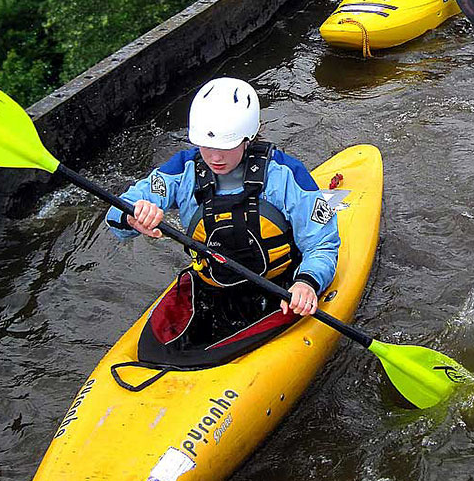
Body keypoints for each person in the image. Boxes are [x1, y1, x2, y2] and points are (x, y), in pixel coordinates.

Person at [105, 77, 340, 359]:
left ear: (248, 137)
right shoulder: (181, 170)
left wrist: (308, 282)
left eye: (227, 146)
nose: (214, 157)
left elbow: (322, 244)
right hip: (213, 289)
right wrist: (134, 216)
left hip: (281, 288)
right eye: (206, 145)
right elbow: (119, 209)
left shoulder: (285, 175)